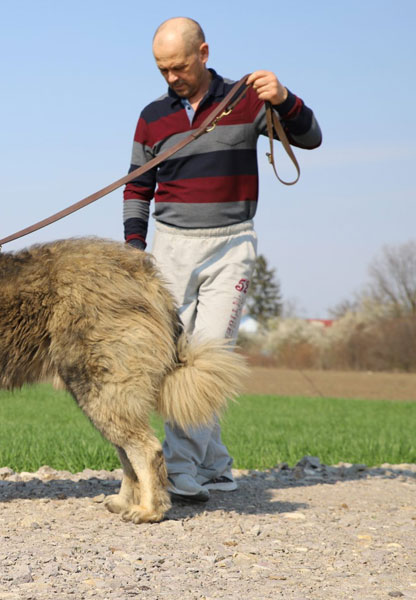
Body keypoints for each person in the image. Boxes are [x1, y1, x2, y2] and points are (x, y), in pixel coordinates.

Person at [123, 17, 321, 501]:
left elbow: (310, 137)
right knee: (171, 357)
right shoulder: (152, 116)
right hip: (169, 247)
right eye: (162, 69)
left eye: (179, 66)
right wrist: (134, 251)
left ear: (204, 53)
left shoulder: (246, 100)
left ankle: (180, 470)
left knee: (207, 356)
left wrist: (285, 99)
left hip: (231, 244)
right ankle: (214, 464)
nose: (171, 77)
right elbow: (137, 186)